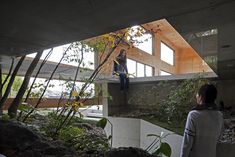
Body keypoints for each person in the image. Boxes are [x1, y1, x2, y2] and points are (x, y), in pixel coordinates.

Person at [180, 84, 224, 157]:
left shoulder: (194, 115)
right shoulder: (219, 115)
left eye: (198, 94)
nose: (196, 96)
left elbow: (187, 143)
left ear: (201, 97)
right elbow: (219, 139)